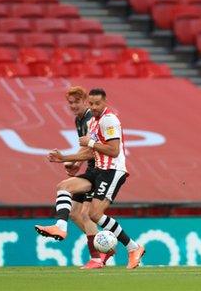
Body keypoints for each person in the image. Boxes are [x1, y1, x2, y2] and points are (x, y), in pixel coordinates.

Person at [36, 88, 146, 269]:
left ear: (105, 103)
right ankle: (60, 227)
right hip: (96, 170)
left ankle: (132, 248)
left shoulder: (109, 119)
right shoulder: (93, 122)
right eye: (92, 104)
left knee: (94, 214)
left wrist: (91, 142)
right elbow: (89, 151)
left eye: (97, 104)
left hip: (112, 171)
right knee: (64, 186)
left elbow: (114, 150)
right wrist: (64, 158)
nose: (94, 107)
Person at [59, 87, 113, 269]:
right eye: (70, 103)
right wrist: (75, 165)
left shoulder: (91, 118)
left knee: (85, 214)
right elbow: (86, 149)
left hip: (99, 171)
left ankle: (97, 256)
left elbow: (92, 149)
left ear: (85, 102)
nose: (73, 106)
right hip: (91, 168)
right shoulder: (79, 120)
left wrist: (69, 159)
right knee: (75, 213)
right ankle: (104, 246)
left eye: (76, 102)